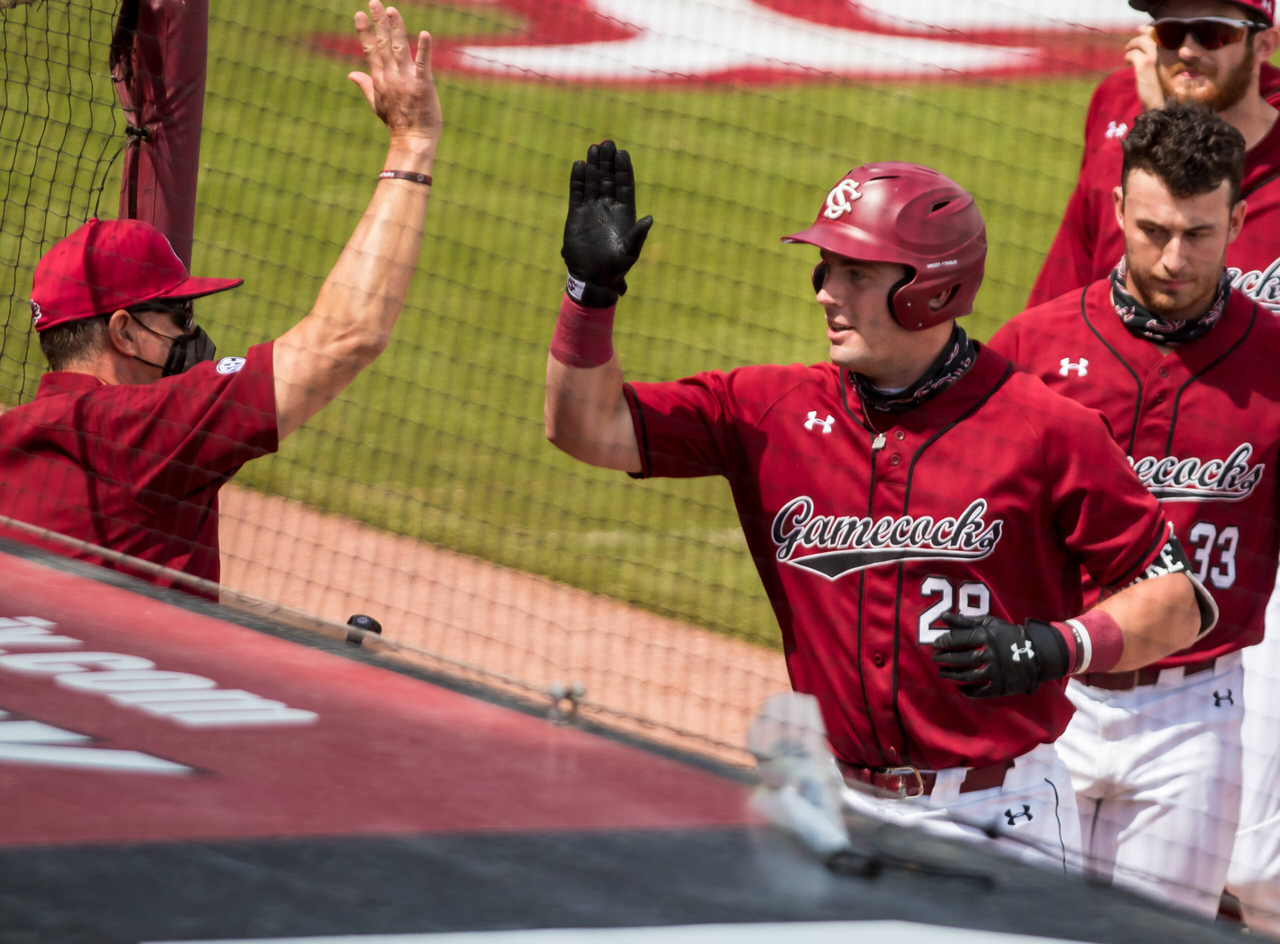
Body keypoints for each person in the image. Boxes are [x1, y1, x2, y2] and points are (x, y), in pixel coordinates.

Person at [544, 142, 1213, 869]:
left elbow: (1178, 601)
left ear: (930, 288)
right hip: (833, 804)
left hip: (995, 818)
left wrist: (1057, 646)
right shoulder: (768, 409)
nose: (826, 291)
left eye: (855, 274)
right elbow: (588, 427)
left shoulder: (1045, 429)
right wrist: (590, 294)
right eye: (826, 268)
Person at [0, 1, 441, 593]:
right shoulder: (138, 430)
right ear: (124, 332)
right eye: (178, 315)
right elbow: (346, 335)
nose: (193, 334)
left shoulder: (14, 438)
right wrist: (411, 144)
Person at [991, 102, 1280, 923]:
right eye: (1152, 230)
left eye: (1199, 233)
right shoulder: (1032, 351)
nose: (1175, 258)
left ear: (1238, 219)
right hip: (1050, 698)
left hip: (1196, 714)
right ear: (1115, 210)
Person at [1027, 0, 1280, 310]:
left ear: (1264, 44)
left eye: (1213, 33)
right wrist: (1157, 130)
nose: (1187, 52)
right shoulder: (1118, 103)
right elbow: (1061, 299)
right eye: (1170, 33)